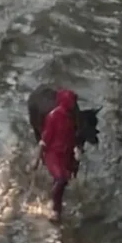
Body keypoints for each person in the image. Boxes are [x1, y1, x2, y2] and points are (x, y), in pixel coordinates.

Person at [39, 88, 79, 222]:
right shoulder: (53, 116)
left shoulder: (70, 117)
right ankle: (55, 208)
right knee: (61, 179)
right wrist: (41, 151)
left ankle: (58, 200)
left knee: (64, 180)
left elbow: (71, 137)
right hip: (54, 155)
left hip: (66, 154)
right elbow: (46, 137)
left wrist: (74, 155)